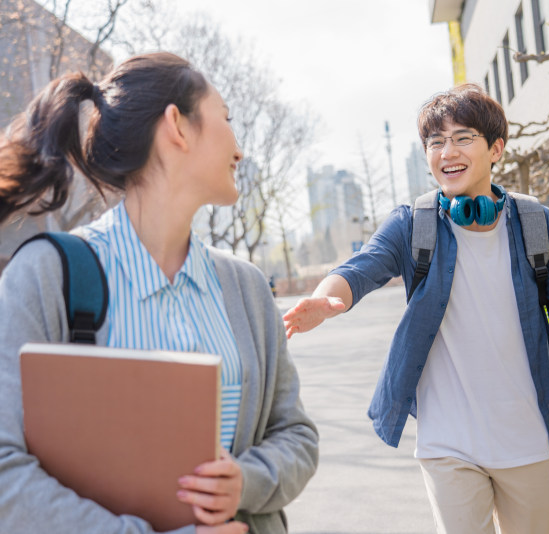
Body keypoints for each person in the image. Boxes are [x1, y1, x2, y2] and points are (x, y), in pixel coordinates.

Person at [282, 83, 549, 534]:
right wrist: (327, 298)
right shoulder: (414, 224)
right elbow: (362, 266)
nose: (446, 151)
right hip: (446, 443)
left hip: (525, 436)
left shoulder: (536, 224)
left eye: (463, 137)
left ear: (496, 149)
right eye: (435, 142)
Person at [0, 52, 318, 534]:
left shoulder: (247, 288)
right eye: (227, 120)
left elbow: (294, 433)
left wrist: (245, 481)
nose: (240, 149)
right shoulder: (46, 275)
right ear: (178, 126)